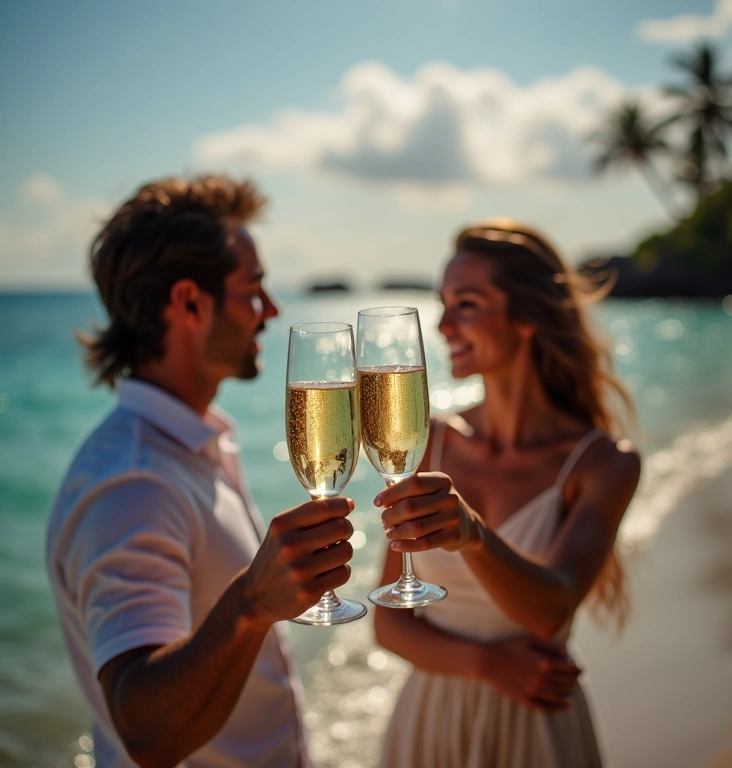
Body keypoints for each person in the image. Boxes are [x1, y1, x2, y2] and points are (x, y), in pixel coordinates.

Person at [46, 175, 356, 768]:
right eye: (255, 289)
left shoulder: (190, 441)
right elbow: (147, 733)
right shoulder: (135, 482)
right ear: (190, 301)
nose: (271, 310)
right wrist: (251, 603)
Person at [373, 219, 641, 768]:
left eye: (467, 304)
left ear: (526, 318)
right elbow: (389, 622)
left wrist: (472, 534)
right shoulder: (429, 442)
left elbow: (551, 609)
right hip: (430, 720)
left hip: (536, 724)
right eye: (442, 303)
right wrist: (488, 665)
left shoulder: (602, 464)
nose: (444, 325)